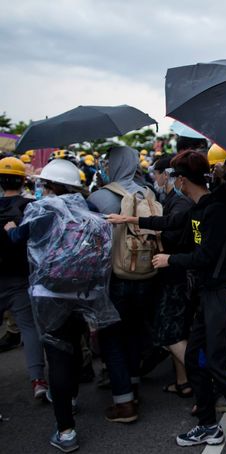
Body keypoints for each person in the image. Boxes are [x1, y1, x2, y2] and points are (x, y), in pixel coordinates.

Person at [108, 151, 226, 453]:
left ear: (181, 179)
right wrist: (131, 219)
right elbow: (170, 220)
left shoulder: (219, 209)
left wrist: (170, 260)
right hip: (208, 293)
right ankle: (209, 426)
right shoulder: (200, 207)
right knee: (193, 358)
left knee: (223, 365)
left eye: (172, 176)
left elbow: (206, 256)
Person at [6, 158, 114, 453]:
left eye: (43, 183)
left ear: (50, 185)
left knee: (58, 355)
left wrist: (10, 227)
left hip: (48, 293)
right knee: (74, 346)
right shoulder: (90, 209)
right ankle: (73, 397)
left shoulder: (41, 209)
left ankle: (66, 430)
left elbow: (18, 239)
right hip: (82, 293)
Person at [88, 146, 158, 423]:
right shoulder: (148, 192)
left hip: (114, 276)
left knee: (112, 336)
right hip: (147, 272)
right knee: (135, 331)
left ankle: (124, 402)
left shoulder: (98, 197)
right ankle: (134, 382)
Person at [0, 156, 48, 399]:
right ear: (23, 180)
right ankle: (38, 380)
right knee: (29, 328)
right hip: (22, 276)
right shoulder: (33, 206)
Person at [149, 156, 195, 398]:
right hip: (176, 273)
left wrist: (155, 235)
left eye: (155, 174)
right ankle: (183, 382)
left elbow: (173, 236)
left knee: (170, 333)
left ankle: (204, 381)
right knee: (178, 330)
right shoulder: (172, 199)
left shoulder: (181, 202)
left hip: (177, 274)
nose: (154, 179)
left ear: (167, 175)